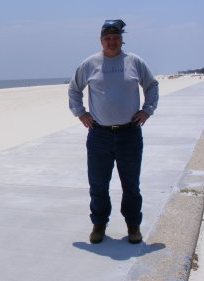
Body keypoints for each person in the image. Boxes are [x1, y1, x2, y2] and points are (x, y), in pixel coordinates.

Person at [68, 19, 159, 244]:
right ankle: (99, 225)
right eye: (107, 38)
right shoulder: (90, 64)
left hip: (130, 134)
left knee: (131, 185)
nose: (112, 42)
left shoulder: (134, 62)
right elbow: (74, 89)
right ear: (101, 41)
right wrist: (80, 113)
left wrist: (147, 110)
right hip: (99, 135)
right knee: (98, 184)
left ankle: (133, 227)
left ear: (121, 39)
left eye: (116, 38)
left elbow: (152, 86)